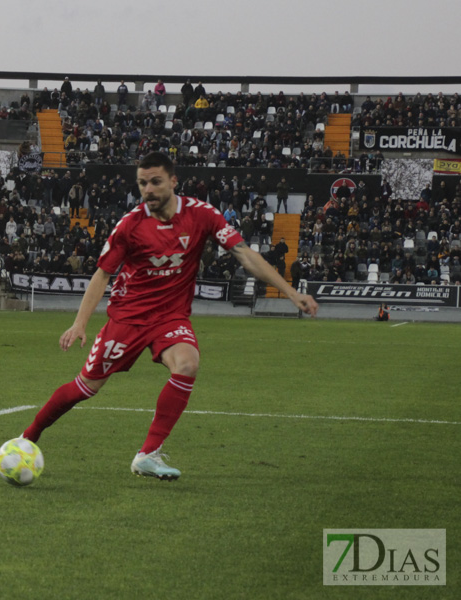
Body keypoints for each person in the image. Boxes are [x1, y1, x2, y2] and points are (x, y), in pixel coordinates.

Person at [16, 152, 318, 481]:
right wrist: (80, 323)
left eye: (156, 182)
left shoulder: (202, 215)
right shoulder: (130, 225)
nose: (148, 189)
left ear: (174, 182)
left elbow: (244, 254)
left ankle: (147, 454)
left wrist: (291, 293)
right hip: (128, 318)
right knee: (86, 386)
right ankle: (28, 437)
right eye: (143, 183)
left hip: (171, 317)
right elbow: (102, 274)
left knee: (188, 364)